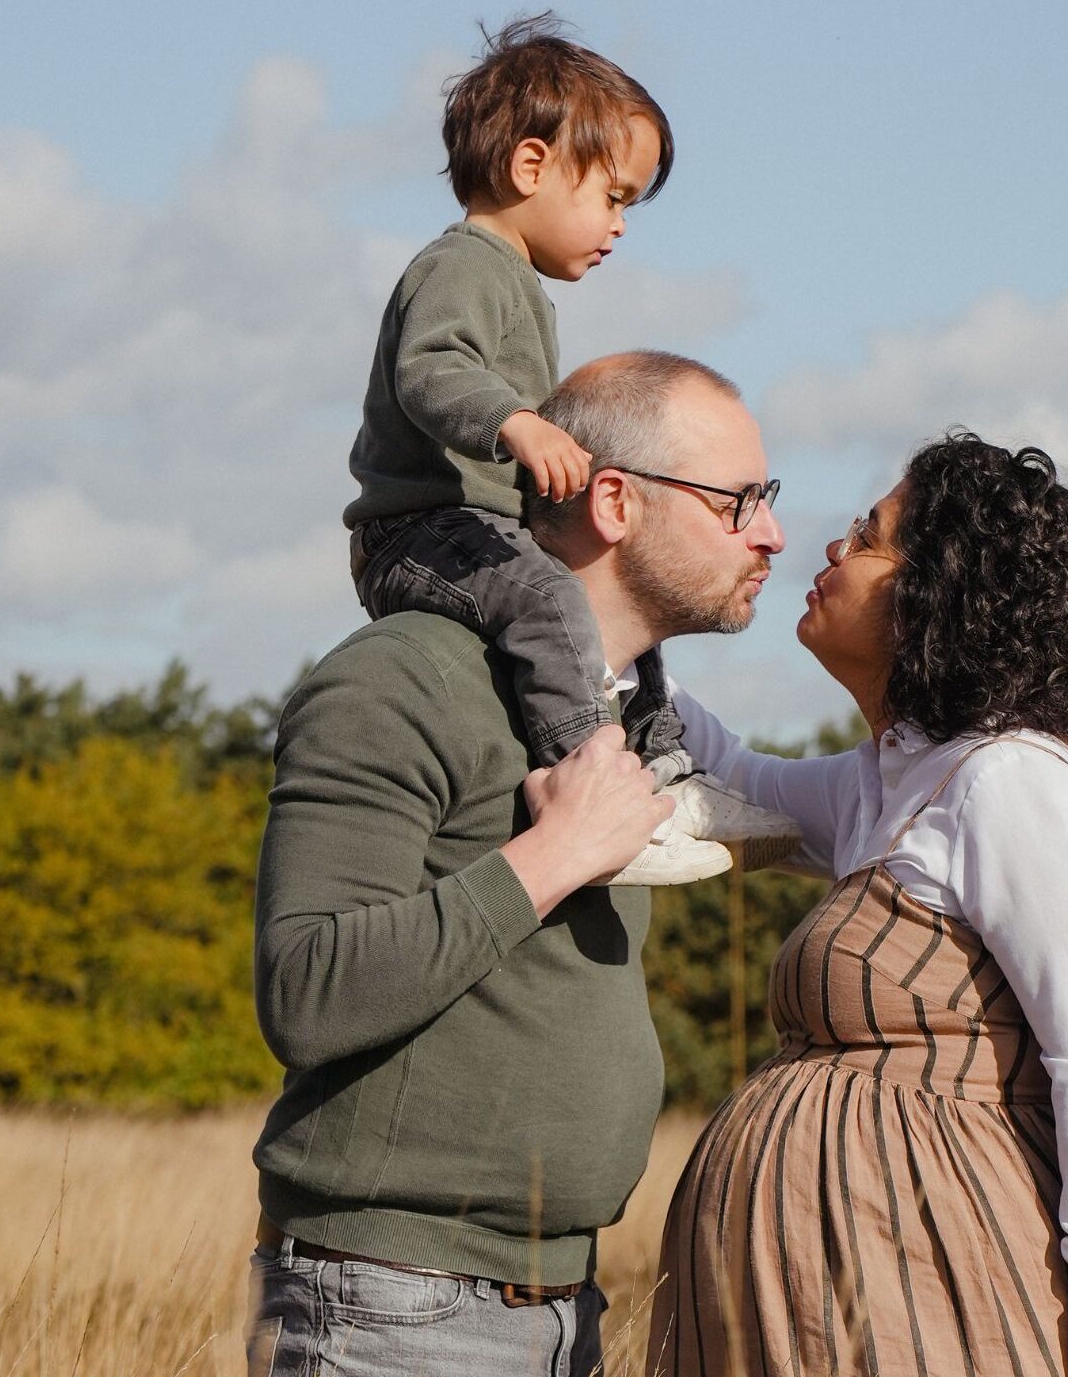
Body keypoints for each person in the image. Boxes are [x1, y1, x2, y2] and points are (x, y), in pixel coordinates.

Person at [248, 352, 785, 1377]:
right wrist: (556, 853)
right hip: (393, 1310)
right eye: (737, 501)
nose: (769, 532)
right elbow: (304, 991)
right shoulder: (400, 677)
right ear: (615, 502)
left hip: (559, 1306)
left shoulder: (627, 721)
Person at [650, 432, 1068, 1377]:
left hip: (962, 1276)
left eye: (868, 538)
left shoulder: (1015, 783)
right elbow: (732, 774)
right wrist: (602, 628)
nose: (832, 549)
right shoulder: (888, 781)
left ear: (938, 591)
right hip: (868, 1283)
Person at [341, 11, 786, 883]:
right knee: (550, 599)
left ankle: (666, 776)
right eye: (613, 196)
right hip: (417, 531)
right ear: (531, 165)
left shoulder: (516, 282)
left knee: (617, 613)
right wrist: (516, 422)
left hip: (480, 530)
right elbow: (428, 369)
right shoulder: (463, 265)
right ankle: (594, 789)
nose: (619, 225)